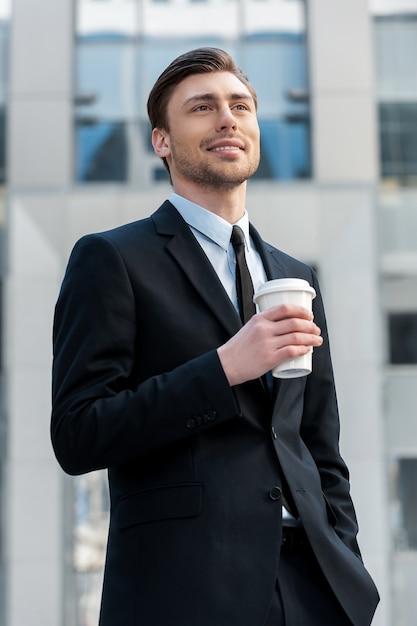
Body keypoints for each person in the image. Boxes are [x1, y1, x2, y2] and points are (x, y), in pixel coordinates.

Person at [51, 47, 379, 625]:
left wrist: (344, 558)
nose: (228, 118)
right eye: (202, 107)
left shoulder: (295, 277)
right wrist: (223, 368)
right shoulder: (112, 259)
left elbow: (319, 444)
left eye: (241, 106)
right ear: (162, 141)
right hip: (183, 590)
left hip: (312, 590)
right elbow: (79, 433)